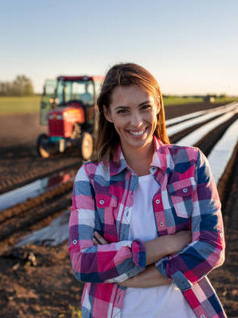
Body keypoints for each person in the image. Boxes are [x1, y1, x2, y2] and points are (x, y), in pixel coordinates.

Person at [68, 63, 226, 318]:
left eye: (145, 107)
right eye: (123, 111)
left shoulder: (191, 163)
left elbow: (211, 248)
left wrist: (131, 274)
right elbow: (83, 263)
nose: (136, 121)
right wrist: (168, 244)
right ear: (107, 113)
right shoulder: (91, 177)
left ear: (158, 106)